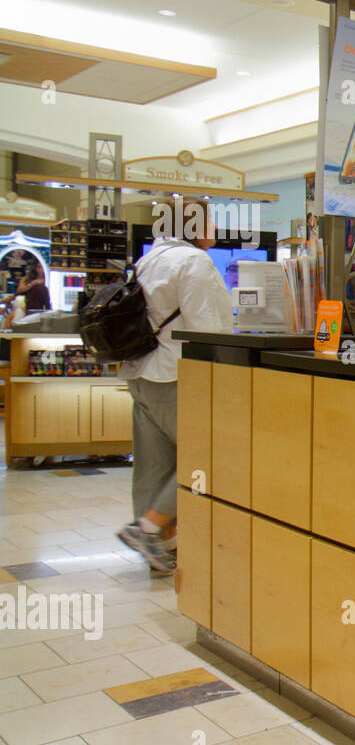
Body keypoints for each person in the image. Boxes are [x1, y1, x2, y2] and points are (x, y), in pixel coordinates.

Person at [116, 198, 232, 570]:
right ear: (195, 226)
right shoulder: (194, 262)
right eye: (210, 222)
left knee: (153, 464)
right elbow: (210, 329)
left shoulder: (149, 259)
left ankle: (159, 549)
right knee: (207, 454)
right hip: (175, 375)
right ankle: (151, 528)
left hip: (141, 373)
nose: (213, 229)